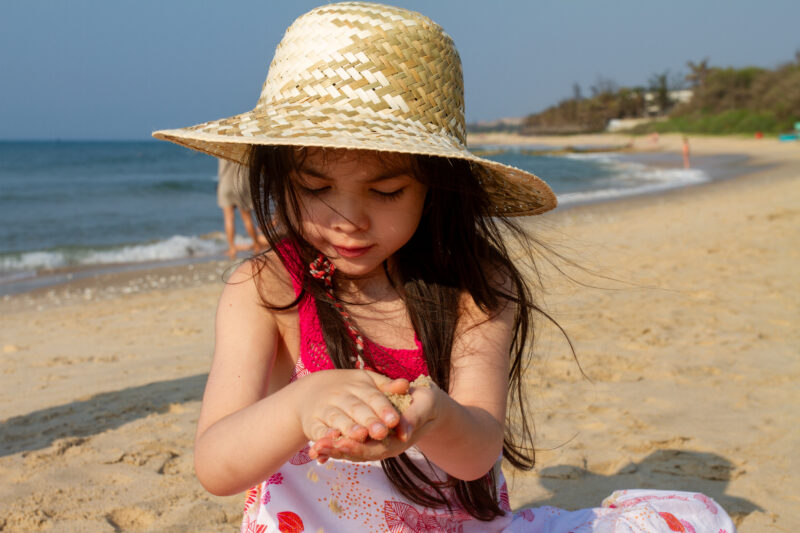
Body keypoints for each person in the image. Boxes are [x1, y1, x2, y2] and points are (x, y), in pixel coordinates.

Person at [154, 3, 736, 531]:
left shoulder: (476, 287)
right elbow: (217, 466)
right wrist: (303, 403)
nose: (349, 221)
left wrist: (434, 419)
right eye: (315, 186)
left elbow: (479, 450)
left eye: (386, 191)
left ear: (436, 187)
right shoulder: (266, 287)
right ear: (280, 180)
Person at [217, 158, 266, 259]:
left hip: (224, 184)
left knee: (228, 218)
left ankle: (232, 248)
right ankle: (256, 244)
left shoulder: (221, 149)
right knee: (247, 218)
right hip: (240, 185)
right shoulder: (241, 150)